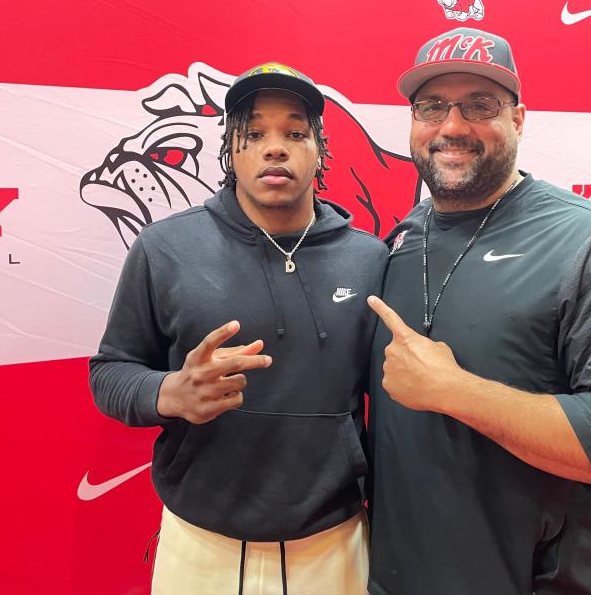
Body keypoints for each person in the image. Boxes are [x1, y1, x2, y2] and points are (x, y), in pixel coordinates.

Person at [366, 28, 591, 595]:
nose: (452, 126)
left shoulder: (590, 242)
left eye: (480, 105)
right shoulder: (401, 239)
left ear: (518, 120)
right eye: (432, 106)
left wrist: (455, 390)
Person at [89, 62, 386, 594]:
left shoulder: (369, 260)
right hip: (201, 542)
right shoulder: (166, 249)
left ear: (320, 150)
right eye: (255, 134)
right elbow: (110, 372)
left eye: (295, 133)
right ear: (230, 151)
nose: (276, 148)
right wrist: (167, 392)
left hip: (333, 539)